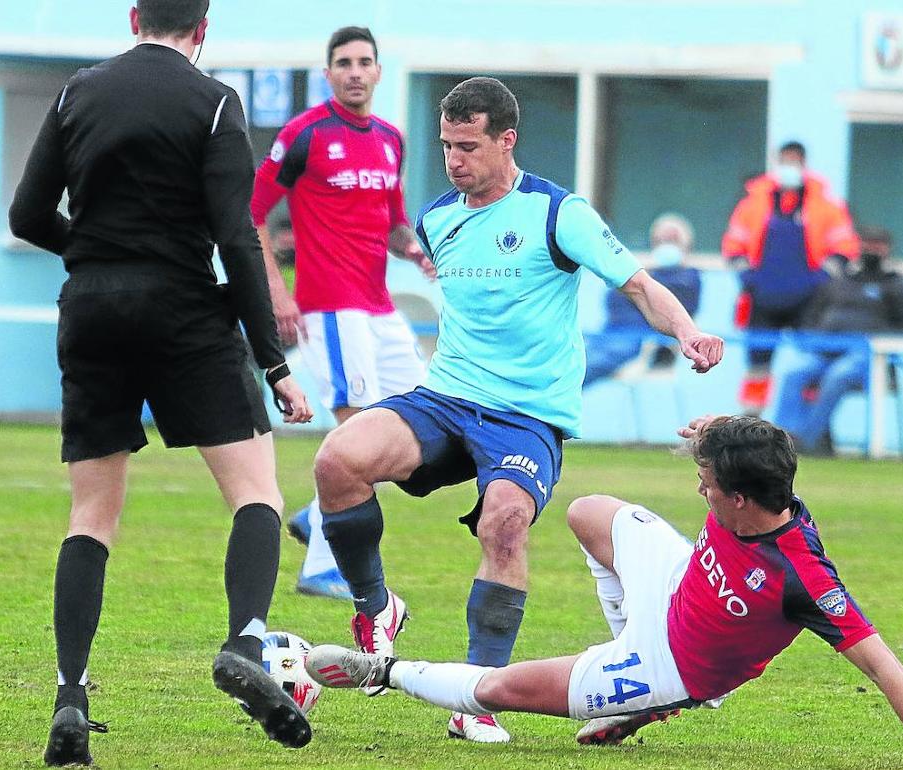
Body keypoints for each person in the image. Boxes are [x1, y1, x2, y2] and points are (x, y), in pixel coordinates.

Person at [311, 76, 723, 743]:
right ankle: (376, 607)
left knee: (503, 523)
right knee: (337, 459)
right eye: (446, 145)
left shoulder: (560, 214)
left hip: (525, 417)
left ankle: (476, 698)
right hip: (444, 397)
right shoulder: (438, 220)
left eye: (468, 146)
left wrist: (686, 332)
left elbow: (640, 285)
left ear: (507, 140)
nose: (454, 160)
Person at [305, 415, 903, 770]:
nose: (700, 490)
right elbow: (755, 435)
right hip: (677, 585)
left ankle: (381, 669)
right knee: (587, 511)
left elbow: (884, 663)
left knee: (500, 690)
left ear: (740, 500)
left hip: (677, 665)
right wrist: (719, 430)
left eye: (708, 484)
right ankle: (623, 649)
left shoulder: (803, 578)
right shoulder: (759, 476)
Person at [8, 0, 314, 763]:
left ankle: (70, 694)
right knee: (255, 493)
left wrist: (100, 254)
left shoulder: (77, 91)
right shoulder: (214, 102)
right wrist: (272, 359)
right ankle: (245, 639)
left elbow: (24, 214)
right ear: (203, 30)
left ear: (135, 16)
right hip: (182, 310)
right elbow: (237, 238)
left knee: (91, 515)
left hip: (91, 309)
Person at [249, 26, 435, 602]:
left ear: (379, 71)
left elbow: (393, 217)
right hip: (330, 306)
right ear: (328, 73)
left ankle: (313, 514)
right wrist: (279, 292)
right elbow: (251, 213)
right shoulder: (305, 134)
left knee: (424, 426)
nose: (355, 71)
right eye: (344, 63)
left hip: (379, 307)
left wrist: (413, 248)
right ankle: (322, 567)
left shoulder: (390, 139)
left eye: (364, 62)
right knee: (355, 430)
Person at [722, 141, 859, 417]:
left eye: (794, 161)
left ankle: (809, 427)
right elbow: (734, 245)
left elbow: (845, 248)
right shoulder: (753, 203)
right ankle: (750, 422)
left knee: (812, 361)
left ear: (804, 164)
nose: (789, 167)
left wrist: (820, 280)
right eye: (784, 161)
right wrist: (749, 278)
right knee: (757, 364)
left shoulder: (826, 205)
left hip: (809, 299)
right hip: (762, 299)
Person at [773, 226, 903, 455]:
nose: (870, 250)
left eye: (877, 246)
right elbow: (811, 319)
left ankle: (805, 442)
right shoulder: (837, 283)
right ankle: (780, 441)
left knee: (838, 375)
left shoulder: (899, 288)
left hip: (868, 358)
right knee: (795, 371)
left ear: (888, 250)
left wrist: (875, 341)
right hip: (825, 353)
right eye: (866, 244)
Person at [583, 212, 702, 386]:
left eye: (672, 240)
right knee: (569, 359)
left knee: (581, 370)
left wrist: (644, 278)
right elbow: (615, 299)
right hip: (609, 334)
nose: (666, 245)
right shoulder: (641, 272)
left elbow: (676, 306)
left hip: (637, 341)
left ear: (685, 245)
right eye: (662, 240)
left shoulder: (688, 279)